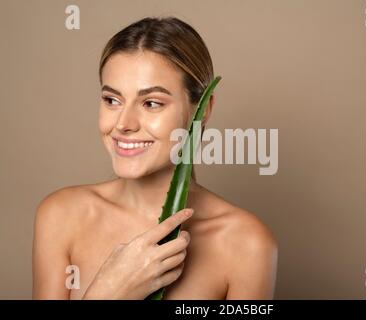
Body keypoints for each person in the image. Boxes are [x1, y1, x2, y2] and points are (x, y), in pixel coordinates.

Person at [32, 16, 278, 300]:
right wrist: (110, 291)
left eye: (151, 103)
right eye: (112, 100)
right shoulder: (61, 216)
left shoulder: (247, 243)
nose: (124, 123)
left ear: (204, 108)